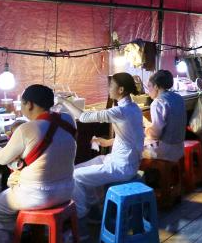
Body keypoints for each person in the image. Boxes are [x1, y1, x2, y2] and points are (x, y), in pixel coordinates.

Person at [0, 84, 76, 243]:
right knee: (10, 195)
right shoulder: (68, 119)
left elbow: (1, 158)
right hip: (67, 190)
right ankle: (28, 238)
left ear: (30, 104)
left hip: (38, 196)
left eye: (22, 104)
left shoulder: (27, 129)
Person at [58, 72, 144, 220]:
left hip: (122, 166)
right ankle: (95, 208)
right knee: (76, 169)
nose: (108, 89)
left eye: (111, 86)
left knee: (75, 176)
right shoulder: (134, 107)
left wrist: (63, 101)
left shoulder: (120, 111)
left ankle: (82, 214)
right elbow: (130, 136)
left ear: (121, 89)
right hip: (122, 160)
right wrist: (108, 142)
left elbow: (83, 117)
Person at [143, 69, 187, 162]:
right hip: (180, 148)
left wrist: (145, 131)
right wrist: (148, 125)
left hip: (166, 152)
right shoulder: (178, 97)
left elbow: (155, 134)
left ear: (156, 86)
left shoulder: (158, 103)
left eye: (149, 86)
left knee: (134, 150)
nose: (148, 91)